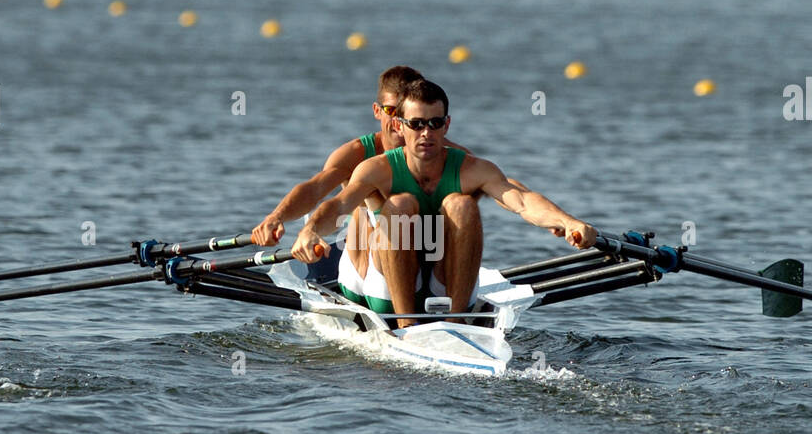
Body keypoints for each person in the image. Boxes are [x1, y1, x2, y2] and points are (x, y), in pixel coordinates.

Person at [290, 78, 598, 326]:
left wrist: (569, 222)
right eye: (417, 124)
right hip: (382, 287)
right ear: (400, 126)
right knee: (400, 206)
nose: (426, 133)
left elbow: (522, 201)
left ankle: (456, 322)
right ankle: (407, 327)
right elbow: (339, 205)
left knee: (461, 205)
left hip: (442, 280)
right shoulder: (377, 169)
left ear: (447, 125)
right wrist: (311, 231)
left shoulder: (472, 169)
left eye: (435, 124)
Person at [249, 65, 476, 312]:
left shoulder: (455, 157)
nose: (398, 120)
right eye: (391, 111)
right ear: (377, 111)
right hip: (367, 276)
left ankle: (444, 300)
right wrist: (277, 217)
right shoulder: (357, 155)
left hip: (430, 269)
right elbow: (315, 189)